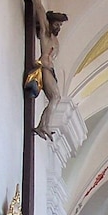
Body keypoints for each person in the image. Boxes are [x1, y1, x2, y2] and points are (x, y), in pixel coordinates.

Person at [32, 11, 69, 139]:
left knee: (55, 98)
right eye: (56, 24)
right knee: (55, 97)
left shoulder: (54, 39)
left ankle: (42, 125)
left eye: (60, 25)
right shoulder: (45, 34)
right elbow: (40, 10)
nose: (58, 27)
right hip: (45, 67)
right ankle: (44, 126)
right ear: (50, 23)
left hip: (50, 70)